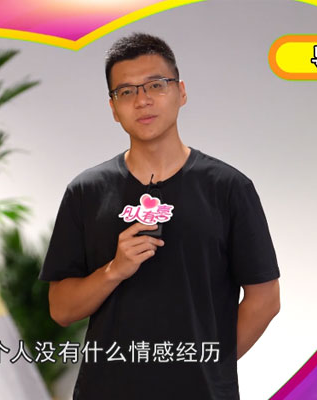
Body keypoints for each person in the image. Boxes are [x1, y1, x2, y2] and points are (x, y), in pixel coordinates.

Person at [39, 32, 280, 400]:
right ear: (113, 108)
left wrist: (209, 369)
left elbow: (265, 299)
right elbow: (61, 309)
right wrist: (114, 270)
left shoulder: (229, 187)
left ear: (181, 92)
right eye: (126, 91)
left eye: (156, 85)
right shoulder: (86, 191)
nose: (143, 100)